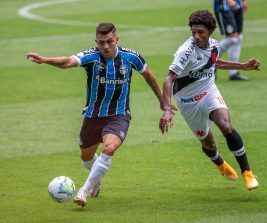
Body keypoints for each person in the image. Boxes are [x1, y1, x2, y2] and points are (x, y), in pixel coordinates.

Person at [27, 22, 169, 207]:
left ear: (117, 39)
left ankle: (83, 190)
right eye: (101, 42)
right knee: (86, 157)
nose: (106, 46)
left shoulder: (131, 57)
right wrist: (46, 60)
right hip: (93, 115)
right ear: (96, 41)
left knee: (109, 148)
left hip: (119, 114)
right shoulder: (91, 57)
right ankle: (97, 181)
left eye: (110, 41)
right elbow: (68, 62)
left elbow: (149, 75)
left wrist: (163, 102)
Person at [159, 10, 260, 191]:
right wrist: (167, 108)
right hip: (188, 101)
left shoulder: (214, 45)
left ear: (210, 31)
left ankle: (248, 172)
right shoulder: (186, 51)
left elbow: (214, 62)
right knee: (208, 143)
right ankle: (220, 163)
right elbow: (169, 79)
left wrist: (243, 66)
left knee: (226, 126)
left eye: (201, 32)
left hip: (208, 91)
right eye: (193, 32)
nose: (196, 36)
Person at [214, 0, 248, 80]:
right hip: (224, 5)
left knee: (238, 37)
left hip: (237, 4)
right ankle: (210, 59)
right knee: (232, 38)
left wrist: (244, 1)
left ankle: (233, 73)